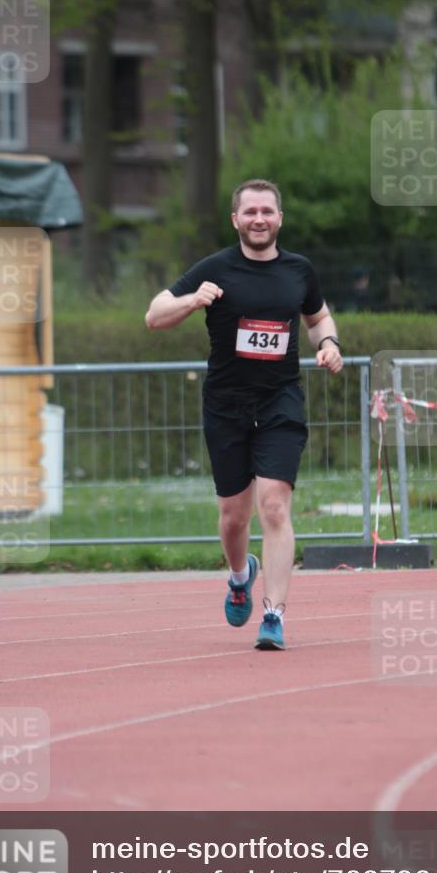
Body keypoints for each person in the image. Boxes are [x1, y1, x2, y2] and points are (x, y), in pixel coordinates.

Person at [146, 179, 342, 651]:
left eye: (267, 212)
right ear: (236, 219)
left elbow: (318, 318)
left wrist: (330, 344)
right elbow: (154, 315)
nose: (259, 219)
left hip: (280, 401)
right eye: (250, 212)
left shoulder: (299, 270)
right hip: (226, 405)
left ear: (280, 218)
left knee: (273, 505)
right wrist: (193, 301)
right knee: (234, 517)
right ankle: (240, 576)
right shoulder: (215, 268)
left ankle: (273, 615)